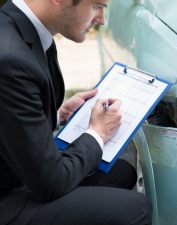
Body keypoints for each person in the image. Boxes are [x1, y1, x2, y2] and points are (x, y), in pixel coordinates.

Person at [0, 0, 152, 224]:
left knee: (120, 172)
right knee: (137, 208)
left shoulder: (21, 31)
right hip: (6, 199)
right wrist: (96, 133)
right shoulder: (11, 58)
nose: (101, 19)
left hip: (14, 173)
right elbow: (50, 184)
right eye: (96, 6)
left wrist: (59, 115)